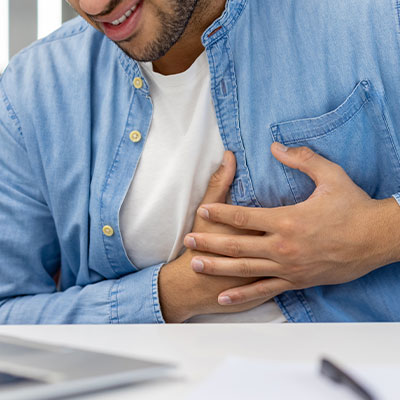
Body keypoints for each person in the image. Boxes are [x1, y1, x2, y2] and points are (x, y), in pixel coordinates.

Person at [0, 0, 399, 324]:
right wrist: (172, 294)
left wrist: (373, 236)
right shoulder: (33, 87)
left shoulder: (375, 16)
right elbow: (9, 312)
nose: (95, 6)